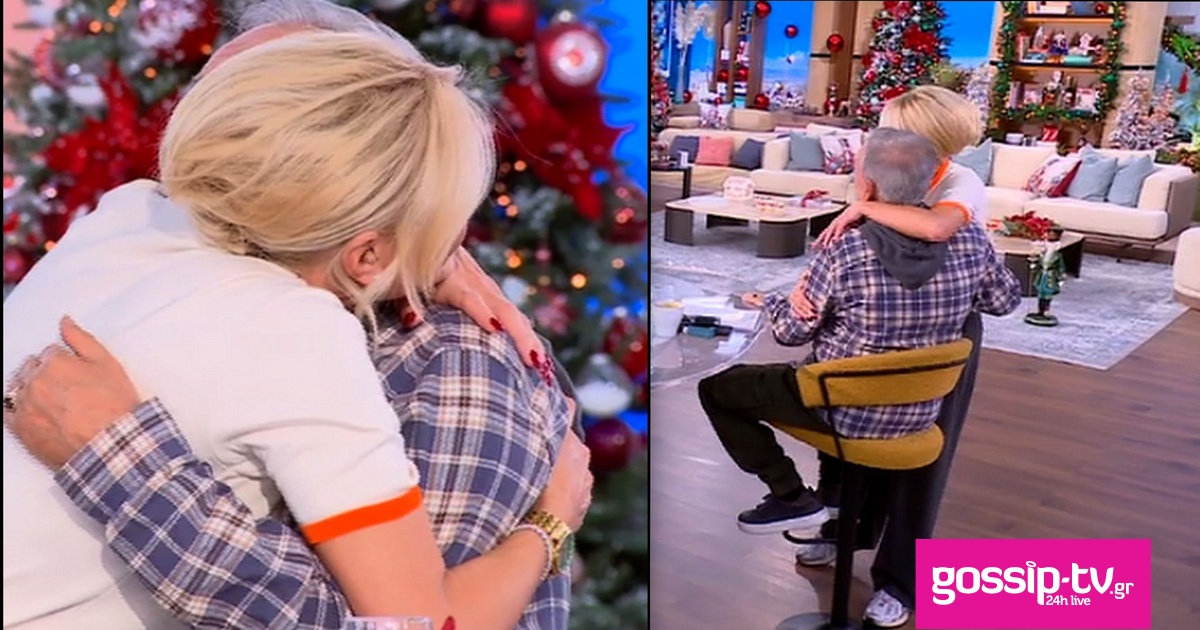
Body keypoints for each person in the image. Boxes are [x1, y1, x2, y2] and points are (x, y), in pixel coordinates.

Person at [1, 6, 591, 629]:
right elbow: (422, 623)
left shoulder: (127, 214)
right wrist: (549, 524)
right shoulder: (295, 331)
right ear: (367, 253)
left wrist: (411, 252)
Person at [699, 128, 1020, 622]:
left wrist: (777, 302)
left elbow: (790, 333)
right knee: (826, 379)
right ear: (930, 181)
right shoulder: (972, 239)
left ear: (868, 185)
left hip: (843, 412)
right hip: (919, 414)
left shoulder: (845, 250)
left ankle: (791, 496)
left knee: (720, 389)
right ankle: (831, 517)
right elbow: (1003, 301)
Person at [802, 85, 1003, 627]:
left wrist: (863, 204)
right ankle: (845, 531)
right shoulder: (889, 174)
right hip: (877, 328)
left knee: (921, 460)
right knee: (858, 434)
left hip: (942, 334)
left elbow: (937, 227)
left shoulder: (960, 182)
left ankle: (901, 581)